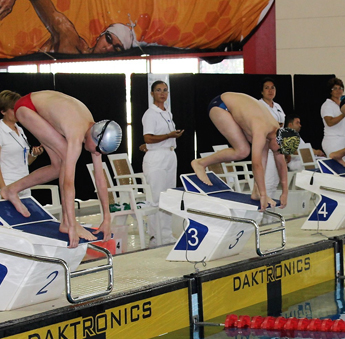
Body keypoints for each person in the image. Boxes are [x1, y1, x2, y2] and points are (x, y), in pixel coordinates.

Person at [1, 90, 122, 248]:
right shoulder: (76, 133)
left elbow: (100, 179)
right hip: (26, 107)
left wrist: (107, 218)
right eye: (97, 150)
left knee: (58, 167)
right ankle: (66, 222)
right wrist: (72, 225)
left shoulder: (94, 131)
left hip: (43, 108)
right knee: (66, 157)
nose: (96, 154)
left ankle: (12, 190)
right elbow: (68, 184)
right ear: (95, 138)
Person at [190, 92, 300, 211]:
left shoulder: (275, 134)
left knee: (263, 149)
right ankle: (200, 163)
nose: (278, 153)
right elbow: (256, 164)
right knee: (242, 151)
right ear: (278, 141)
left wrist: (285, 192)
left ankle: (256, 191)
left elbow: (281, 163)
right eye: (279, 150)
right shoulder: (261, 129)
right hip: (221, 105)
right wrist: (264, 195)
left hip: (238, 107)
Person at [141, 81, 183, 246]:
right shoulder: (150, 114)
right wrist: (168, 135)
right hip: (156, 158)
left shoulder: (167, 113)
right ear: (152, 93)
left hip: (169, 154)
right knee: (156, 197)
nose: (162, 93)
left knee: (167, 197)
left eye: (165, 90)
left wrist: (170, 136)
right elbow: (148, 137)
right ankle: (155, 236)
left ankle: (165, 235)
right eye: (158, 90)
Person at [29, 0, 136, 54]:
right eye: (108, 39)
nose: (108, 48)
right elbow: (49, 12)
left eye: (116, 48)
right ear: (100, 36)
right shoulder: (71, 40)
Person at [0, 90, 44, 197]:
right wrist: (3, 189)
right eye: (12, 109)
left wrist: (34, 154)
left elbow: (25, 162)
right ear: (3, 111)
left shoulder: (20, 130)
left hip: (24, 184)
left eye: (18, 108)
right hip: (8, 185)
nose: (17, 112)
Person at [258, 78, 286, 198]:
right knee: (267, 182)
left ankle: (270, 216)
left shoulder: (277, 106)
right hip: (265, 147)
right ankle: (259, 215)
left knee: (274, 182)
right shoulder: (259, 105)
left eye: (272, 87)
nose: (270, 90)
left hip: (277, 147)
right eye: (267, 88)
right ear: (262, 91)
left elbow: (282, 127)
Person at [321, 77, 345, 164]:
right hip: (333, 140)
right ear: (330, 91)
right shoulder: (327, 105)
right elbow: (329, 122)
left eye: (340, 88)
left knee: (344, 170)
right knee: (336, 169)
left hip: (344, 140)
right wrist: (344, 114)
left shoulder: (343, 105)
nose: (338, 90)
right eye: (335, 88)